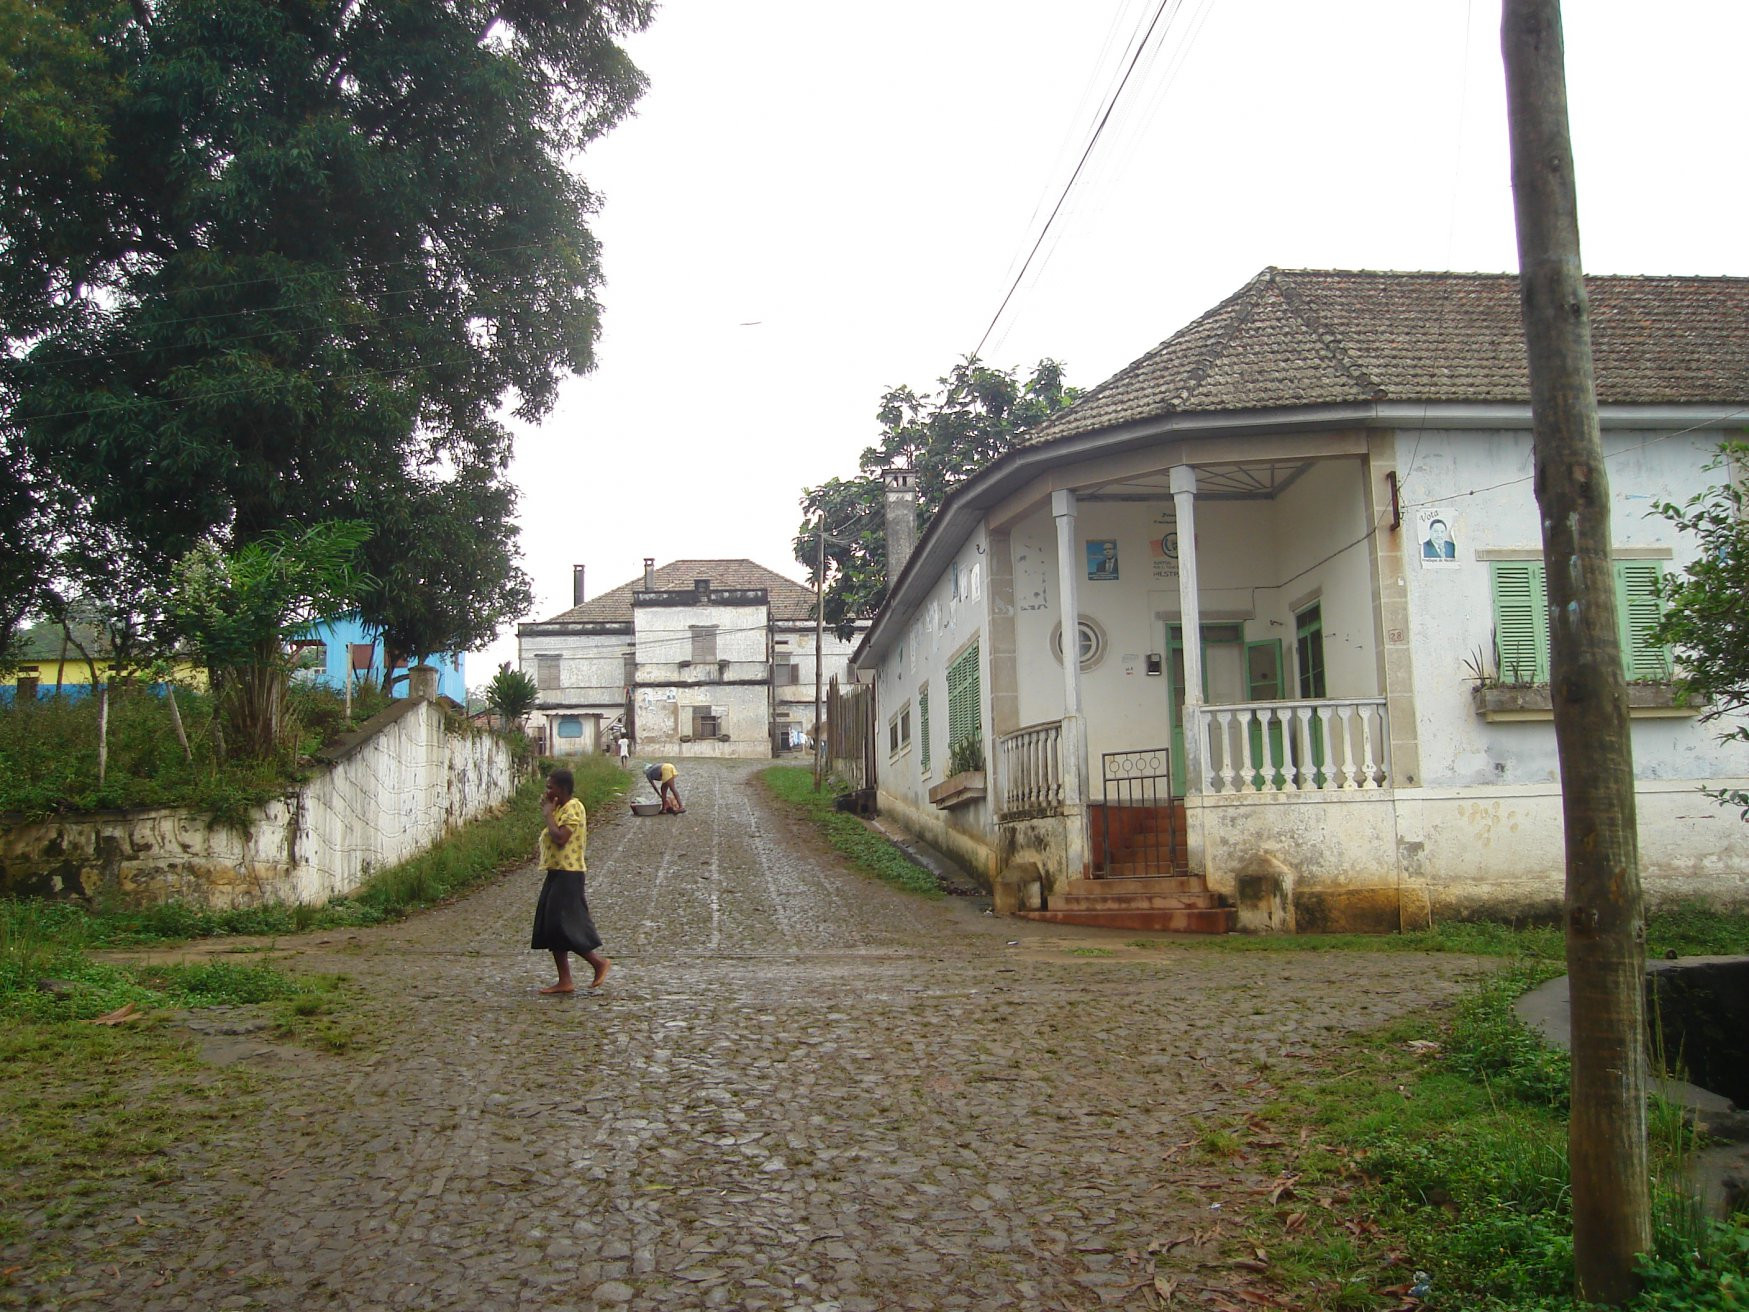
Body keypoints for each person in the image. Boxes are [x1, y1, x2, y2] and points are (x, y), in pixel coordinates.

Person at [530, 768, 610, 993]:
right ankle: (565, 980)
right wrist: (550, 811)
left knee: (566, 925)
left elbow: (561, 838)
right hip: (556, 872)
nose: (547, 791)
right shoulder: (561, 808)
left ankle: (598, 962)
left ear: (563, 789)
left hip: (569, 873)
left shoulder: (574, 807)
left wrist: (548, 814)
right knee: (551, 926)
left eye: (551, 787)